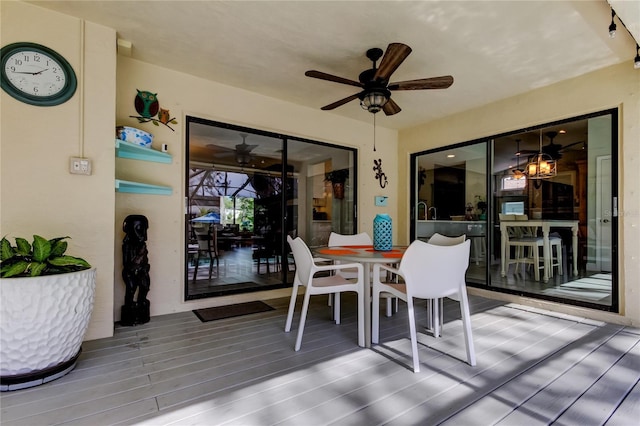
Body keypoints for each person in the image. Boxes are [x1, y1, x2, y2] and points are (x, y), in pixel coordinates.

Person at [121, 215, 150, 325]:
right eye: (138, 229)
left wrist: (144, 267)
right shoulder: (127, 246)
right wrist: (140, 256)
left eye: (144, 230)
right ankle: (130, 314)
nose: (143, 234)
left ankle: (141, 309)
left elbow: (145, 261)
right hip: (130, 273)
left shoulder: (142, 245)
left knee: (145, 288)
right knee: (131, 290)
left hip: (143, 271)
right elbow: (127, 263)